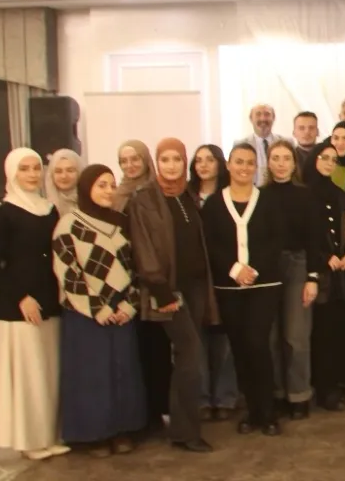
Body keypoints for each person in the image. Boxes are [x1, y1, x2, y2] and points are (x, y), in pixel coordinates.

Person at [126, 139, 220, 453]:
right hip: (168, 290)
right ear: (157, 162)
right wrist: (161, 290)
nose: (171, 166)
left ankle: (183, 425)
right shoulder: (144, 200)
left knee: (187, 357)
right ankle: (185, 432)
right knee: (190, 355)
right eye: (164, 159)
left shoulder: (188, 195)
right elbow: (143, 248)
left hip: (196, 287)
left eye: (176, 159)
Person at [52, 165, 147, 457]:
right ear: (86, 189)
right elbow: (68, 273)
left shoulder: (121, 223)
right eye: (100, 185)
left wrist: (129, 304)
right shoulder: (69, 224)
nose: (108, 191)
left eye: (111, 185)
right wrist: (96, 308)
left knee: (122, 370)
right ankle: (94, 435)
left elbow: (136, 267)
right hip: (86, 313)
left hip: (121, 309)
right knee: (92, 374)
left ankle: (122, 430)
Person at [0, 149, 65, 462]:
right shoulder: (4, 213)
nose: (32, 174)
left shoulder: (50, 209)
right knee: (28, 375)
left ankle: (48, 435)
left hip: (49, 301)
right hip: (18, 307)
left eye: (36, 168)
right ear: (12, 173)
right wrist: (21, 297)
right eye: (24, 169)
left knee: (47, 374)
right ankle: (28, 440)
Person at [201, 144, 284, 436]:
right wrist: (235, 269)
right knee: (239, 348)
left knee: (258, 344)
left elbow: (276, 240)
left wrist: (253, 269)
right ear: (228, 165)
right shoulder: (213, 204)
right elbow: (209, 242)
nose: (244, 168)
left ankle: (268, 412)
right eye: (239, 162)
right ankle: (251, 411)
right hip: (229, 286)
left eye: (250, 163)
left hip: (264, 284)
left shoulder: (269, 201)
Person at [262, 140, 324, 420]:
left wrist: (312, 277)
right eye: (275, 158)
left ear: (294, 163)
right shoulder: (260, 195)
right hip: (267, 268)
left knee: (296, 336)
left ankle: (299, 394)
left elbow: (314, 239)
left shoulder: (306, 195)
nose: (281, 163)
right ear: (268, 162)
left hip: (298, 265)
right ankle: (277, 393)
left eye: (286, 158)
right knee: (271, 336)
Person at [114, 140, 172, 435]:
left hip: (151, 281)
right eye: (124, 161)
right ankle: (138, 413)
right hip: (123, 282)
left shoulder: (158, 192)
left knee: (156, 348)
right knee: (132, 351)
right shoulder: (115, 196)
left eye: (135, 158)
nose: (131, 165)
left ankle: (158, 410)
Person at [301, 142, 345, 411]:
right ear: (314, 159)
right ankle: (321, 389)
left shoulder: (339, 193)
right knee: (318, 333)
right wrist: (324, 257)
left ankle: (335, 384)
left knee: (335, 331)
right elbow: (304, 234)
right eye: (324, 157)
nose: (328, 163)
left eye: (333, 159)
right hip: (314, 273)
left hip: (339, 275)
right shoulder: (304, 193)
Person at [186, 145, 238, 420]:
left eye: (209, 160)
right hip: (195, 275)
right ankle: (202, 399)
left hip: (225, 273)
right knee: (198, 338)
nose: (203, 165)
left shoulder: (230, 195)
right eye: (198, 160)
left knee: (225, 339)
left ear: (220, 163)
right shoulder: (185, 196)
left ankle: (226, 396)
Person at [238, 103, 286, 187]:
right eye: (258, 114)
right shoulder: (240, 144)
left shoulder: (286, 143)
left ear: (273, 118)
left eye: (267, 114)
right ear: (251, 119)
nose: (263, 118)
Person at [42, 149, 83, 217]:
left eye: (70, 170)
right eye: (58, 171)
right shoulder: (42, 207)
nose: (64, 176)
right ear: (51, 175)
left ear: (79, 172)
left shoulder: (91, 202)